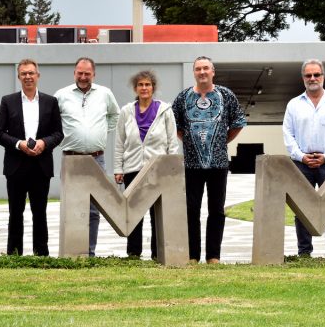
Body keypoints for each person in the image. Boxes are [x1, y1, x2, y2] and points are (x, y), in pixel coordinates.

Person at [173, 56, 247, 264]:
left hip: (219, 163)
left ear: (213, 71)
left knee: (216, 209)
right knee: (191, 209)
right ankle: (192, 256)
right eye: (198, 69)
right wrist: (189, 140)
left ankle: (213, 256)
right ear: (194, 72)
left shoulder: (226, 95)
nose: (202, 72)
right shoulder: (183, 97)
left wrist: (223, 141)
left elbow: (239, 122)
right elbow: (176, 126)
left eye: (206, 68)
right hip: (191, 164)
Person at [0, 59, 64, 256]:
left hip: (41, 166)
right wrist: (19, 144)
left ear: (38, 76)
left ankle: (41, 254)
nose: (28, 77)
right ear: (19, 77)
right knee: (15, 213)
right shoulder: (8, 101)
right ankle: (14, 254)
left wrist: (44, 142)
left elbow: (58, 133)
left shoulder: (51, 102)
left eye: (31, 73)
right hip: (16, 165)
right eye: (24, 73)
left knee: (39, 213)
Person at [282, 59, 325, 260]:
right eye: (308, 75)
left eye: (316, 74)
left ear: (323, 77)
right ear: (303, 78)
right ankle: (304, 253)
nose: (312, 78)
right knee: (302, 210)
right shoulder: (294, 105)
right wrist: (301, 156)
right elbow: (288, 134)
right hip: (301, 163)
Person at [56, 57, 119, 257]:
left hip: (96, 159)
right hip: (71, 159)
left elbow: (114, 115)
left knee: (93, 210)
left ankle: (89, 252)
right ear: (74, 73)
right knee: (71, 207)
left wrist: (101, 134)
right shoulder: (61, 95)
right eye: (80, 73)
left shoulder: (105, 94)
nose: (83, 77)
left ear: (94, 74)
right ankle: (72, 252)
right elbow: (52, 120)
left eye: (87, 74)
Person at [113, 70, 179, 259]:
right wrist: (118, 168)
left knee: (156, 214)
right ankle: (133, 253)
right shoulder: (126, 111)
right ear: (135, 88)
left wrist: (171, 169)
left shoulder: (164, 110)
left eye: (147, 85)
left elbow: (172, 143)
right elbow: (119, 142)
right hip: (132, 169)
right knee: (134, 214)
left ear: (153, 87)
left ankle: (158, 253)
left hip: (157, 169)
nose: (144, 88)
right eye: (140, 85)